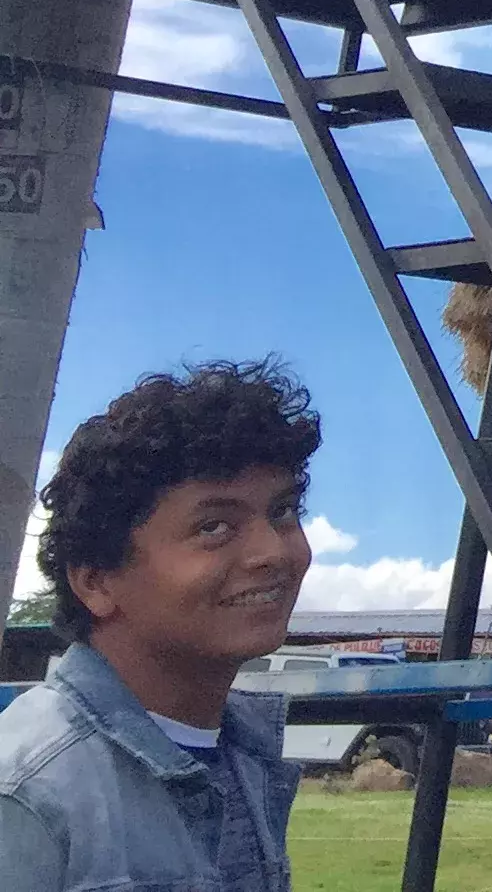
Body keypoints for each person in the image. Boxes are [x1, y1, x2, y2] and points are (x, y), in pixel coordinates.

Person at [0, 362, 320, 891]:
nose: (273, 551)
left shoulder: (241, 756)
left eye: (283, 511)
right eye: (214, 527)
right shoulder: (30, 793)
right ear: (97, 582)